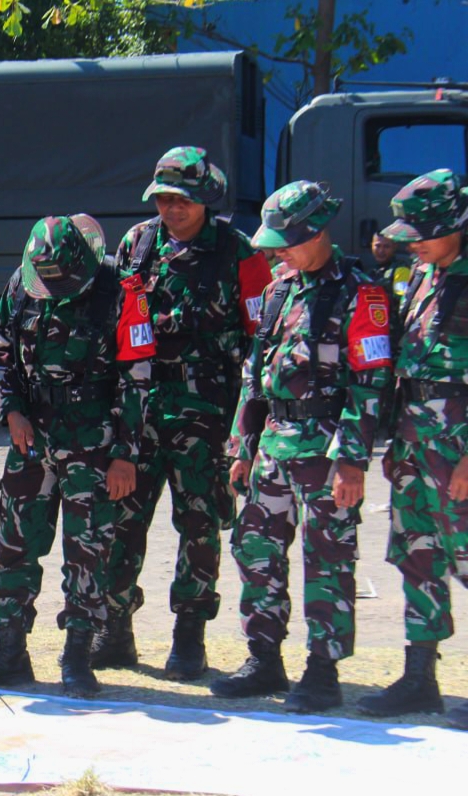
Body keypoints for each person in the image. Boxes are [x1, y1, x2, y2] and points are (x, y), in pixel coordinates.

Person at [0, 216, 153, 697]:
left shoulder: (122, 291)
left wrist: (126, 455)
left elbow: (138, 379)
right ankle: (10, 652)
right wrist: (12, 411)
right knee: (15, 543)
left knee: (88, 551)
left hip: (94, 440)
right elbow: (1, 350)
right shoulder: (22, 281)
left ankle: (78, 656)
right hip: (31, 439)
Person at [212, 181, 392, 713]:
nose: (277, 251)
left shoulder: (361, 290)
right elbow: (254, 373)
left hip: (326, 451)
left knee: (328, 558)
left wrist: (353, 461)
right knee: (256, 549)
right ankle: (264, 657)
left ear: (317, 230)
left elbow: (371, 381)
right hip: (273, 445)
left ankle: (322, 669)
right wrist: (243, 446)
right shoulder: (278, 289)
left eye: (287, 240)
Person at [102, 146, 273, 680]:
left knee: (199, 525)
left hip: (206, 413)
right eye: (164, 199)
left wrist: (249, 428)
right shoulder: (138, 243)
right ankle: (115, 631)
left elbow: (260, 341)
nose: (172, 209)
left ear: (206, 199)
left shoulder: (239, 252)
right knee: (122, 519)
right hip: (142, 407)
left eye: (183, 200)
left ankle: (189, 637)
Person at [356, 169, 468, 731]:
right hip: (414, 442)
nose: (414, 242)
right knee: (418, 555)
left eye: (425, 232)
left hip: (460, 448)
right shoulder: (424, 273)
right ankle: (420, 680)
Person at [370, 231, 414, 303]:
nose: (381, 251)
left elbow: (401, 298)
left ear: (394, 247)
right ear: (371, 246)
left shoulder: (401, 270)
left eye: (386, 246)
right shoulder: (372, 271)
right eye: (377, 246)